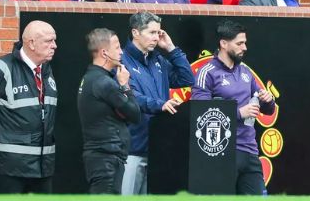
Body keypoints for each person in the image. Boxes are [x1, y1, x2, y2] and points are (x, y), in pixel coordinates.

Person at [0, 20, 58, 193]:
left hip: (42, 166)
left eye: (54, 40)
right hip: (7, 166)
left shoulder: (46, 71)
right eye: (48, 41)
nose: (54, 45)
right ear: (31, 43)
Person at [192, 19, 275, 195]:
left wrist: (268, 100)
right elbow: (200, 114)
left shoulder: (245, 72)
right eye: (239, 43)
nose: (244, 47)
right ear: (223, 43)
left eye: (245, 43)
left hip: (250, 150)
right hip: (222, 152)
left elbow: (268, 110)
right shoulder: (207, 72)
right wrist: (237, 113)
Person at [120, 11, 194, 195]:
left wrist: (171, 48)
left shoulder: (157, 59)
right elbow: (131, 96)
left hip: (159, 147)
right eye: (152, 32)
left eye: (158, 32)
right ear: (136, 32)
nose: (156, 37)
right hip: (133, 147)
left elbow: (187, 78)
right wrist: (159, 105)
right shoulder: (122, 60)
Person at [78, 28, 140, 194]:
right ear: (104, 53)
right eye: (117, 47)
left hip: (101, 157)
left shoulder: (90, 78)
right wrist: (125, 86)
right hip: (107, 159)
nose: (121, 52)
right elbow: (134, 114)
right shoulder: (104, 83)